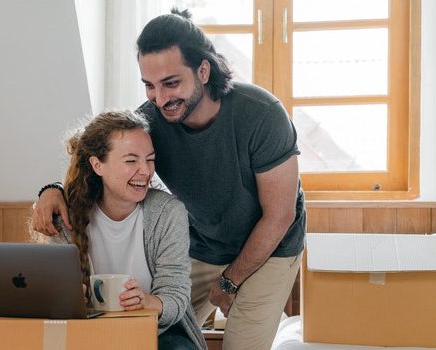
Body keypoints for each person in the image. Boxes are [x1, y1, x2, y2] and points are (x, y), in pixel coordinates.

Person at [34, 9, 306, 350]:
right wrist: (53, 190)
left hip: (270, 247)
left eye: (171, 83)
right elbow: (95, 151)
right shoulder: (153, 118)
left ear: (203, 71)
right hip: (204, 244)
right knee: (153, 326)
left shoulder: (262, 116)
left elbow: (280, 215)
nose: (160, 98)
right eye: (149, 85)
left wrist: (231, 281)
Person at [52, 110, 206, 350]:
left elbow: (176, 297)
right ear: (97, 165)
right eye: (131, 160)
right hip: (90, 334)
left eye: (150, 159)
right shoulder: (66, 216)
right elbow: (53, 293)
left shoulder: (167, 212)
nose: (145, 171)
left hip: (159, 334)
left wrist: (145, 301)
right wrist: (68, 298)